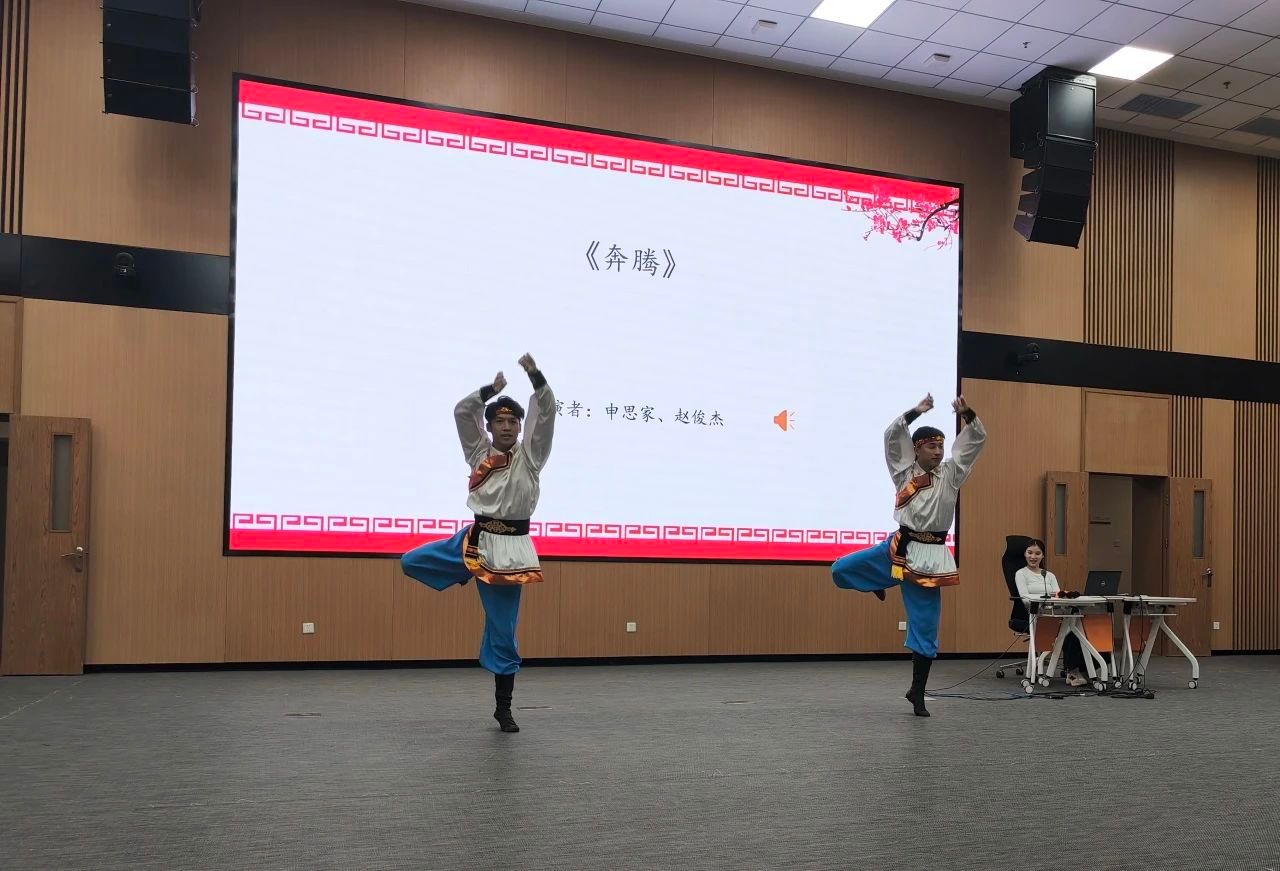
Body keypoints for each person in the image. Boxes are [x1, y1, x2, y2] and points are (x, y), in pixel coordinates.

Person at [400, 353, 554, 733]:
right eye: (500, 421)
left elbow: (547, 412)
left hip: (508, 554)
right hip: (473, 539)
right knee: (410, 561)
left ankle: (504, 708)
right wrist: (490, 390)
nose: (507, 426)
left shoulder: (530, 457)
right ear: (489, 426)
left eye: (513, 421)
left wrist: (534, 375)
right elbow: (461, 411)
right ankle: (464, 571)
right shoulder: (478, 453)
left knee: (503, 633)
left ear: (520, 427)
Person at [831, 393, 986, 717]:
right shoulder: (903, 472)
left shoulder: (952, 474)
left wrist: (968, 414)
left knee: (926, 628)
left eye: (941, 446)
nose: (939, 451)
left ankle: (917, 690)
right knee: (841, 569)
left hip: (929, 560)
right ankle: (876, 582)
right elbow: (892, 436)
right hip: (898, 547)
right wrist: (917, 411)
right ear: (916, 449)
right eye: (931, 446)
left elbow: (975, 442)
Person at [1014, 539, 1091, 688]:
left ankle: (1080, 670)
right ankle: (1073, 671)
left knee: (1078, 626)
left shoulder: (1048, 575)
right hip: (1035, 615)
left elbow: (1058, 596)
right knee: (1069, 628)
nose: (1033, 557)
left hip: (1055, 613)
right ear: (1025, 554)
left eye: (1037, 553)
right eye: (1030, 553)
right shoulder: (1021, 574)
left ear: (1043, 556)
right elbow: (1025, 599)